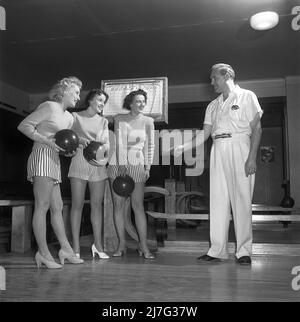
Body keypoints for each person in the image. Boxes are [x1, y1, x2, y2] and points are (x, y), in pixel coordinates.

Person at [175, 63, 263, 265]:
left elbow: (257, 129)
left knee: (241, 200)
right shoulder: (212, 105)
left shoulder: (247, 96)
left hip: (240, 145)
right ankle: (217, 250)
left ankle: (244, 252)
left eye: (214, 77)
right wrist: (182, 148)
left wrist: (251, 158)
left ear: (227, 75)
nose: (211, 82)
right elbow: (205, 134)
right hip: (218, 147)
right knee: (217, 200)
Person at [17, 76, 84, 268]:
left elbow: (63, 143)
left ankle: (66, 249)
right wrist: (46, 141)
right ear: (64, 91)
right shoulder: (49, 106)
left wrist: (71, 151)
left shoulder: (70, 118)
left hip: (54, 160)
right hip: (41, 156)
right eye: (76, 92)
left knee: (58, 207)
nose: (78, 97)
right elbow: (24, 126)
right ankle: (44, 254)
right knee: (43, 205)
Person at [107, 89, 155, 259]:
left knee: (138, 207)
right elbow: (119, 141)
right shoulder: (119, 118)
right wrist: (121, 163)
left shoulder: (149, 121)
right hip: (117, 163)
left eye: (143, 101)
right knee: (118, 206)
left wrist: (148, 167)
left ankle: (143, 245)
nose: (141, 104)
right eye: (138, 101)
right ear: (130, 103)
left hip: (137, 163)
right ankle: (121, 244)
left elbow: (150, 146)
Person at [68, 89, 110, 260]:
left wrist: (104, 151)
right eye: (99, 100)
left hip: (98, 163)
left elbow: (106, 143)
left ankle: (98, 246)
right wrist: (79, 140)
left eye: (104, 102)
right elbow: (66, 137)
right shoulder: (75, 117)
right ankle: (75, 247)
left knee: (96, 206)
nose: (102, 104)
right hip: (79, 161)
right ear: (90, 100)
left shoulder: (104, 121)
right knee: (77, 205)